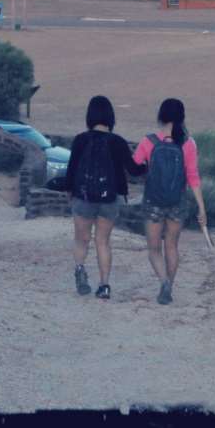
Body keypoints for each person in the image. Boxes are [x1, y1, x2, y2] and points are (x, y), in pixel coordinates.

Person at [66, 96, 147, 300]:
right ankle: (104, 286)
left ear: (90, 115)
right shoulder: (118, 142)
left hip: (83, 197)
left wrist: (70, 193)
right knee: (103, 241)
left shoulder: (80, 139)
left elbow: (71, 170)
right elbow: (134, 170)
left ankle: (80, 269)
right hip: (110, 199)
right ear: (110, 116)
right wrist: (148, 163)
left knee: (82, 239)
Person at [133, 98, 206, 305]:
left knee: (154, 249)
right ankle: (169, 287)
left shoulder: (149, 142)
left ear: (161, 116)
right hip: (177, 201)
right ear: (182, 117)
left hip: (153, 202)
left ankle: (163, 281)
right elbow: (193, 176)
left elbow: (135, 166)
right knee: (172, 246)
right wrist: (202, 207)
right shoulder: (188, 143)